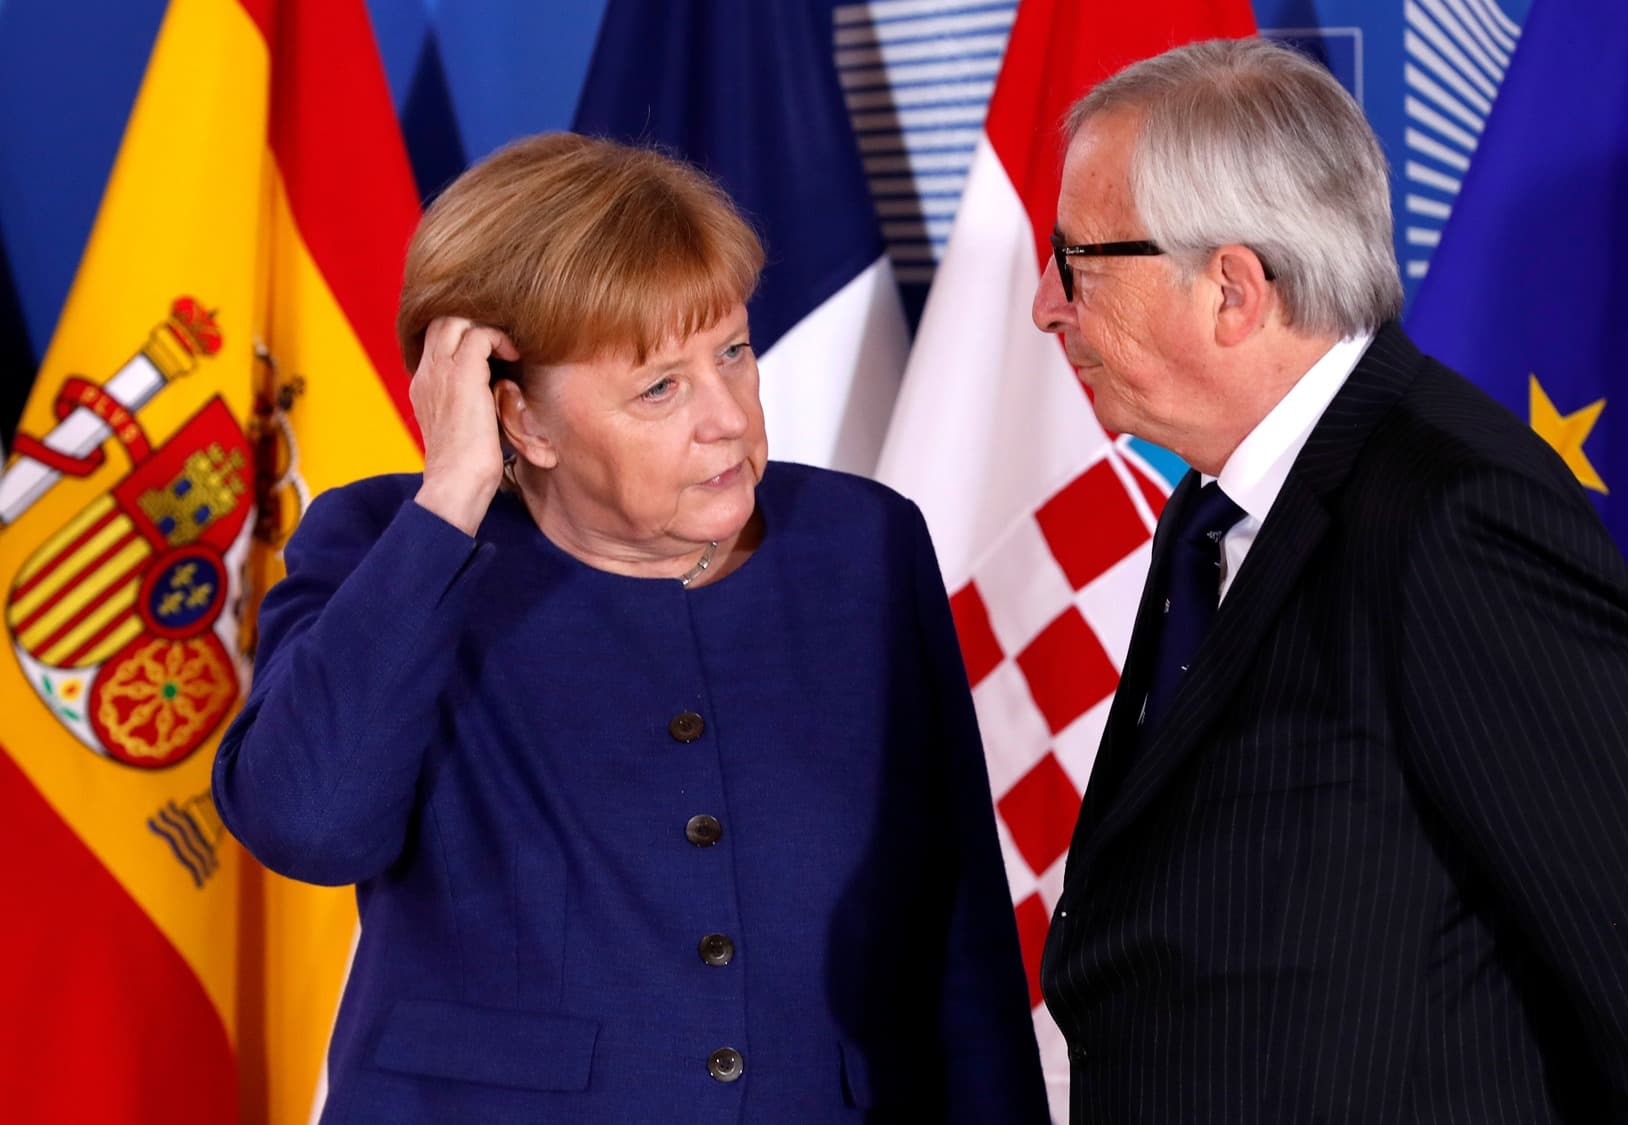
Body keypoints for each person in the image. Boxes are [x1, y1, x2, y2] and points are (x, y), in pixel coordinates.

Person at [1031, 38, 1628, 1124]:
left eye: (1075, 263)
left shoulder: (1452, 520)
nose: (1045, 306)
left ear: (1232, 290)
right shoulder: (1212, 512)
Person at [213, 132, 1047, 1123]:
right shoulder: (388, 548)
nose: (728, 418)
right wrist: (450, 500)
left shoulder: (862, 544)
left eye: (732, 352)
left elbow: (953, 921)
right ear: (518, 418)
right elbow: (307, 827)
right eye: (659, 387)